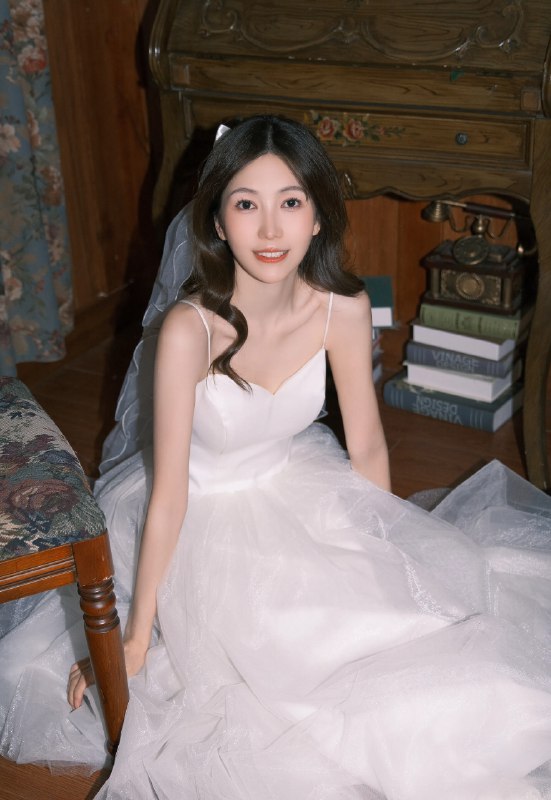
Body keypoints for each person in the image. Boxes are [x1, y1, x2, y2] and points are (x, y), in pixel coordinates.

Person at [1, 115, 551, 800]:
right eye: (245, 204)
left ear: (317, 218)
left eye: (290, 202)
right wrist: (134, 637)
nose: (269, 230)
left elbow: (367, 443)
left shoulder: (342, 307)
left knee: (416, 639)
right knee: (285, 675)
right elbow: (169, 495)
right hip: (196, 523)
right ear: (218, 222)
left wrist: (388, 544)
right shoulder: (189, 331)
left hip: (301, 488)